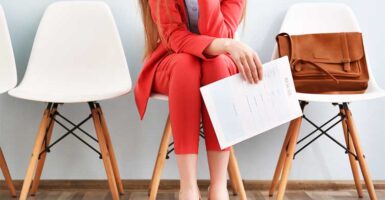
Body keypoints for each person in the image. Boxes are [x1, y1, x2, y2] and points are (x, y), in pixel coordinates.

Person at [135, 0, 263, 199]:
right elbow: (175, 38)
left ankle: (219, 187)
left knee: (217, 65)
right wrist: (229, 44)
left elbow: (220, 35)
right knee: (186, 65)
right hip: (172, 61)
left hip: (220, 65)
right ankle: (188, 188)